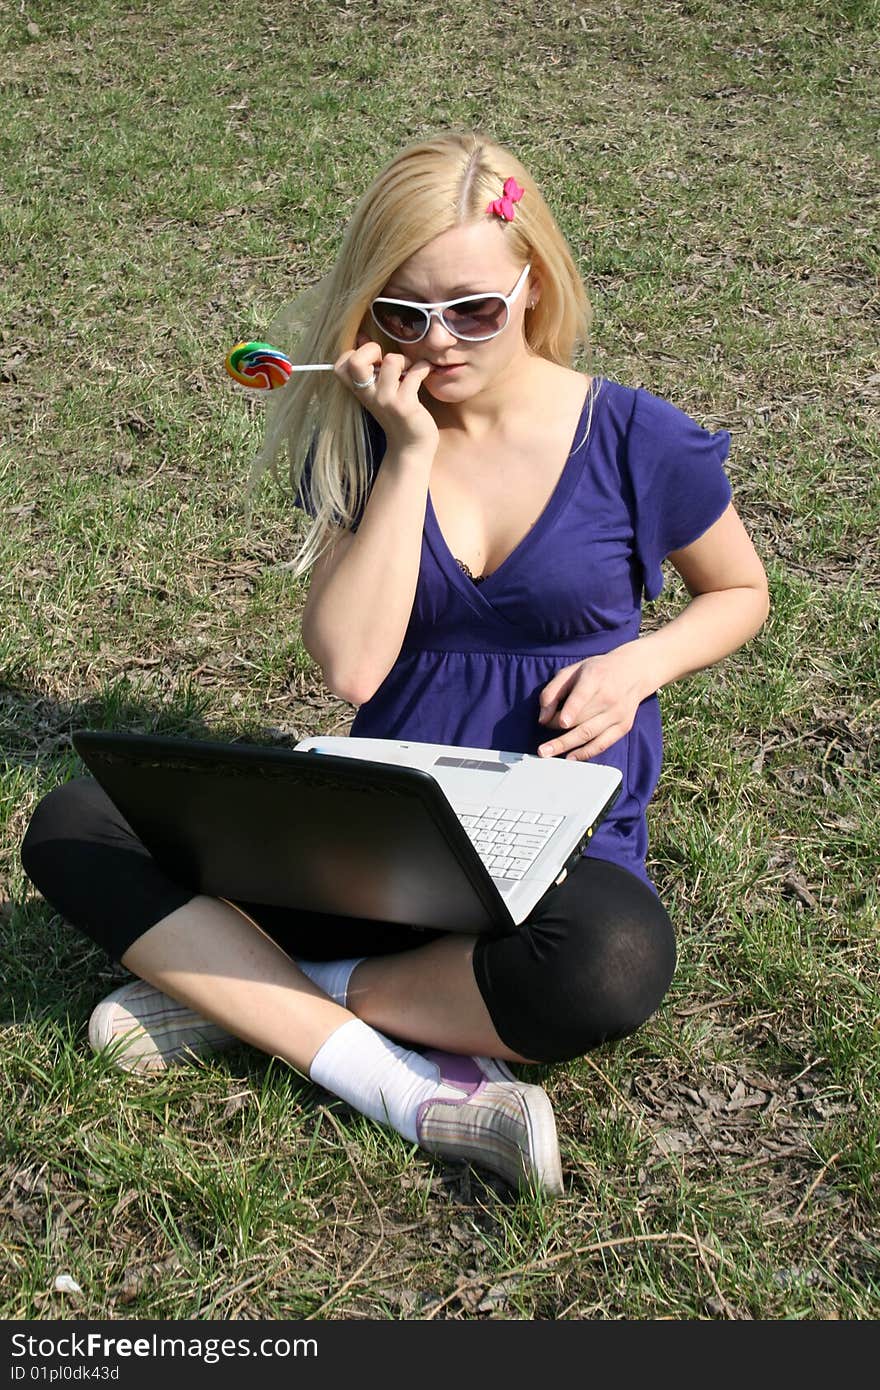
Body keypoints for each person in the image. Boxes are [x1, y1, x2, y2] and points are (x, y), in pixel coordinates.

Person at [20, 130, 769, 1198]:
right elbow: (353, 671)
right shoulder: (370, 440)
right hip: (381, 826)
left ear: (534, 282)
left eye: (472, 309)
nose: (440, 341)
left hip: (553, 832)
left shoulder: (637, 437)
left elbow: (740, 593)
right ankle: (403, 1084)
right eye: (401, 312)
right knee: (76, 823)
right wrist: (410, 451)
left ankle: (254, 993)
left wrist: (640, 665)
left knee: (607, 958)